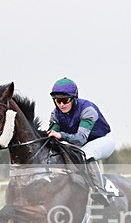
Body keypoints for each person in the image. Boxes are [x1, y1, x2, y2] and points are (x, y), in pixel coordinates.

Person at [44, 77, 117, 205]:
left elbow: (80, 140)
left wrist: (60, 135)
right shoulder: (55, 114)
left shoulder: (88, 110)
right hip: (80, 144)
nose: (61, 104)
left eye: (64, 100)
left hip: (102, 140)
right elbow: (53, 138)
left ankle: (101, 191)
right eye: (57, 101)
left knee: (85, 153)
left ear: (73, 98)